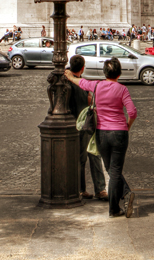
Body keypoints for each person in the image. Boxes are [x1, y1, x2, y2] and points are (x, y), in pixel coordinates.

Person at [65, 57, 137, 219]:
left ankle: (122, 200)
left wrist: (69, 75)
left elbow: (81, 83)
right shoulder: (122, 89)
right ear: (119, 74)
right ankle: (116, 205)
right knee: (115, 170)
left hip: (101, 133)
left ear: (105, 73)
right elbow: (132, 112)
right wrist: (127, 126)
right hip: (119, 132)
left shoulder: (96, 86)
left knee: (111, 169)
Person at [68, 54, 108, 201]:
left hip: (74, 124)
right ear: (83, 67)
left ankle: (81, 189)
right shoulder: (80, 83)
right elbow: (90, 99)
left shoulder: (68, 81)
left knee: (81, 158)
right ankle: (100, 189)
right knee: (93, 155)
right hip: (86, 123)